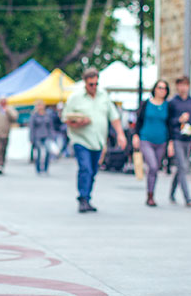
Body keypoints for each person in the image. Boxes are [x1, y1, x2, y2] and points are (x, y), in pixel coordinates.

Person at [63, 68, 127, 213]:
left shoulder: (103, 96)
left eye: (96, 84)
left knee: (92, 170)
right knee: (85, 168)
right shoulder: (75, 98)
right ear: (85, 83)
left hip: (98, 141)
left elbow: (114, 117)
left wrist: (120, 134)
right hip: (81, 139)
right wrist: (79, 122)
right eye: (91, 84)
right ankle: (83, 198)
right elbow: (66, 118)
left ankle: (87, 197)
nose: (94, 87)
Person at [132, 80, 173, 207]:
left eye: (164, 88)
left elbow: (170, 125)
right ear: (155, 89)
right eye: (160, 88)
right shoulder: (146, 104)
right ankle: (149, 195)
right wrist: (136, 135)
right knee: (153, 166)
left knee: (154, 169)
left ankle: (151, 193)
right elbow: (138, 121)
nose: (162, 90)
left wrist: (170, 142)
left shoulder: (168, 106)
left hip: (161, 141)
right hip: (146, 139)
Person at [167, 76, 191, 207]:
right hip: (177, 137)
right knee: (183, 167)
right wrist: (178, 120)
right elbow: (168, 121)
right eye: (180, 85)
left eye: (185, 85)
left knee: (181, 167)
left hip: (188, 137)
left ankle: (172, 193)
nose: (183, 88)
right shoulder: (173, 102)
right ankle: (188, 198)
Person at [29, 100, 56, 174]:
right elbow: (32, 128)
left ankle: (46, 168)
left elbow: (51, 127)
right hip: (37, 136)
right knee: (39, 153)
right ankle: (38, 168)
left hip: (47, 135)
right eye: (39, 105)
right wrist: (31, 138)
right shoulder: (34, 115)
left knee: (47, 152)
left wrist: (52, 136)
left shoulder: (47, 115)